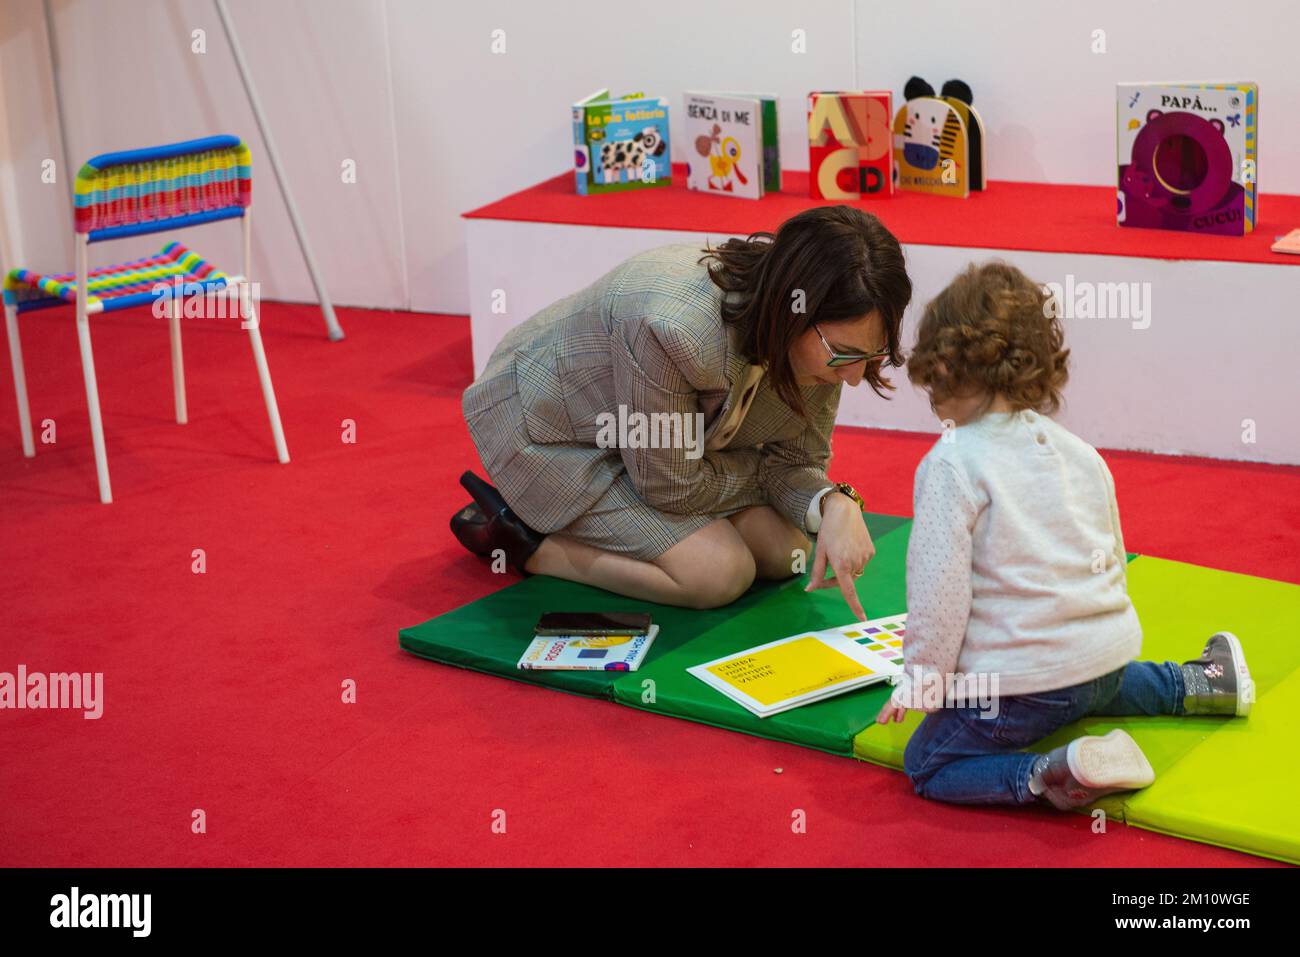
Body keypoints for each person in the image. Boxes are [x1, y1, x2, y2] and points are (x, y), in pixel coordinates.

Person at [877, 261, 1254, 809]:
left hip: (1021, 691)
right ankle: (1203, 684)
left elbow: (939, 594)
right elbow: (1108, 558)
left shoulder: (951, 464)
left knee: (928, 764)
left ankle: (1047, 774)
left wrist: (923, 682)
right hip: (1101, 662)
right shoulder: (1080, 452)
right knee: (1107, 682)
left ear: (951, 369)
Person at [450, 206, 913, 614]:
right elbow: (670, 487)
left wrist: (831, 501)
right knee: (717, 573)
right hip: (551, 433)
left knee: (782, 550)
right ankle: (526, 541)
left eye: (871, 357)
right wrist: (790, 484)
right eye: (845, 355)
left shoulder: (824, 349)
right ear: (793, 312)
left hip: (662, 444)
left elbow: (796, 462)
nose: (854, 377)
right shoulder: (675, 330)